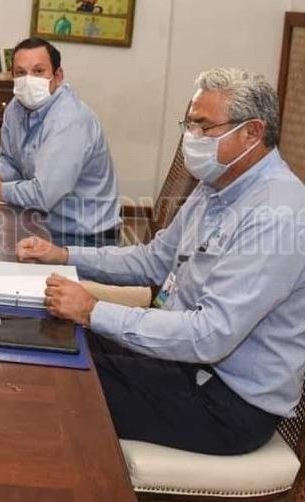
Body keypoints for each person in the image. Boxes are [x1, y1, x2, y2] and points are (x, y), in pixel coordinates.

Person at [17, 68, 305, 455]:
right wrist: (63, 255)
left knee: (58, 386)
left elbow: (209, 335)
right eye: (189, 124)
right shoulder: (216, 186)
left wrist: (93, 310)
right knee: (52, 339)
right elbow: (154, 260)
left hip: (226, 402)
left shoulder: (277, 215)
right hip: (183, 359)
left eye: (204, 126)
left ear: (251, 133)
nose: (192, 137)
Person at [0, 37, 121, 247]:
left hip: (85, 238)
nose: (28, 80)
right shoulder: (15, 107)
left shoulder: (70, 119)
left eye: (38, 71)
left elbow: (42, 196)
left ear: (58, 76)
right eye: (20, 73)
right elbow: (11, 162)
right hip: (41, 222)